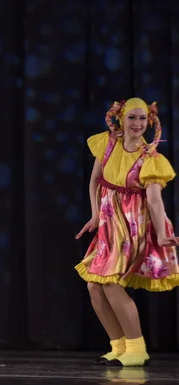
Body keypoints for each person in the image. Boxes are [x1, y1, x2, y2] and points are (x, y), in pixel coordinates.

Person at [75, 98, 179, 367]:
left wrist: (161, 233)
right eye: (132, 117)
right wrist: (96, 214)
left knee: (109, 281)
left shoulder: (150, 157)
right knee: (94, 285)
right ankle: (119, 346)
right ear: (120, 118)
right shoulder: (108, 144)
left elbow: (155, 201)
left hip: (133, 226)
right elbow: (96, 181)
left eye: (142, 118)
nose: (137, 124)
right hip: (110, 223)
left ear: (150, 121)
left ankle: (136, 348)